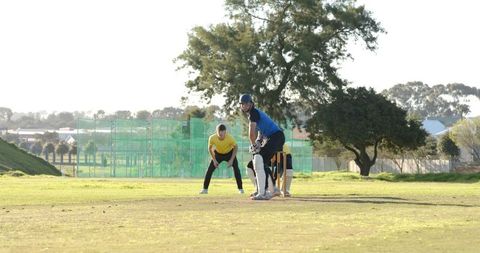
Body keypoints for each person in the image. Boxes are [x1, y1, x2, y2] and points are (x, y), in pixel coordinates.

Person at [239, 94, 285, 200]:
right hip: (274, 137)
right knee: (259, 162)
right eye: (242, 104)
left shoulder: (253, 113)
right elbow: (260, 131)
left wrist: (253, 145)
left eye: (246, 104)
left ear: (251, 104)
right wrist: (258, 142)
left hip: (276, 137)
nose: (244, 106)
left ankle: (265, 191)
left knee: (259, 160)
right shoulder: (254, 113)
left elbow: (251, 134)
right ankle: (270, 189)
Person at [199, 124, 244, 194]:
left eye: (223, 133)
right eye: (219, 133)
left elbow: (236, 147)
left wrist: (231, 159)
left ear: (225, 132)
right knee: (209, 170)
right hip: (218, 154)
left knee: (236, 169)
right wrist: (214, 160)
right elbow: (209, 148)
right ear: (217, 132)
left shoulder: (230, 138)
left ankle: (240, 189)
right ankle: (205, 189)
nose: (221, 134)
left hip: (229, 153)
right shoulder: (212, 138)